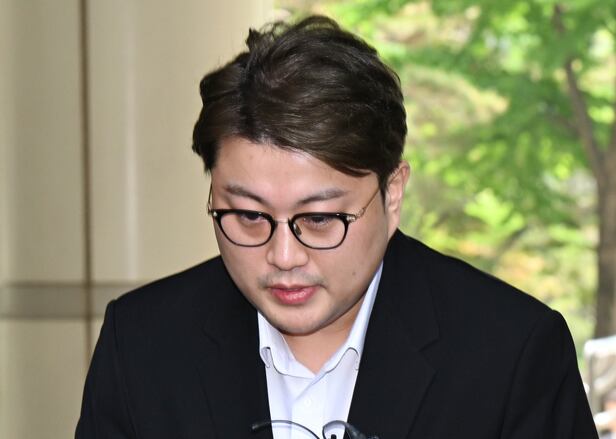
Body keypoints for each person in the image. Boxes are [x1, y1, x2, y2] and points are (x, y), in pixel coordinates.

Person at [75, 15, 598, 439]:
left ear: (392, 194)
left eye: (320, 219)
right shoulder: (142, 344)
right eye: (250, 216)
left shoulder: (511, 352)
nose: (284, 256)